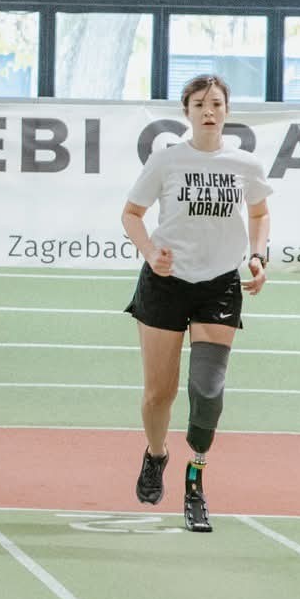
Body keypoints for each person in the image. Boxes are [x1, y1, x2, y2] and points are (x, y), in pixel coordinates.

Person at [121, 74, 272, 533]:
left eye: (217, 103)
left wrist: (259, 256)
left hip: (219, 286)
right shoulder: (167, 161)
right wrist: (151, 253)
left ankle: (195, 477)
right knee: (159, 394)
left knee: (207, 391)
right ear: (186, 111)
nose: (209, 110)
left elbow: (260, 213)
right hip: (166, 284)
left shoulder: (244, 164)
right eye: (200, 103)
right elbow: (132, 214)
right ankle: (156, 453)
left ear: (228, 111)